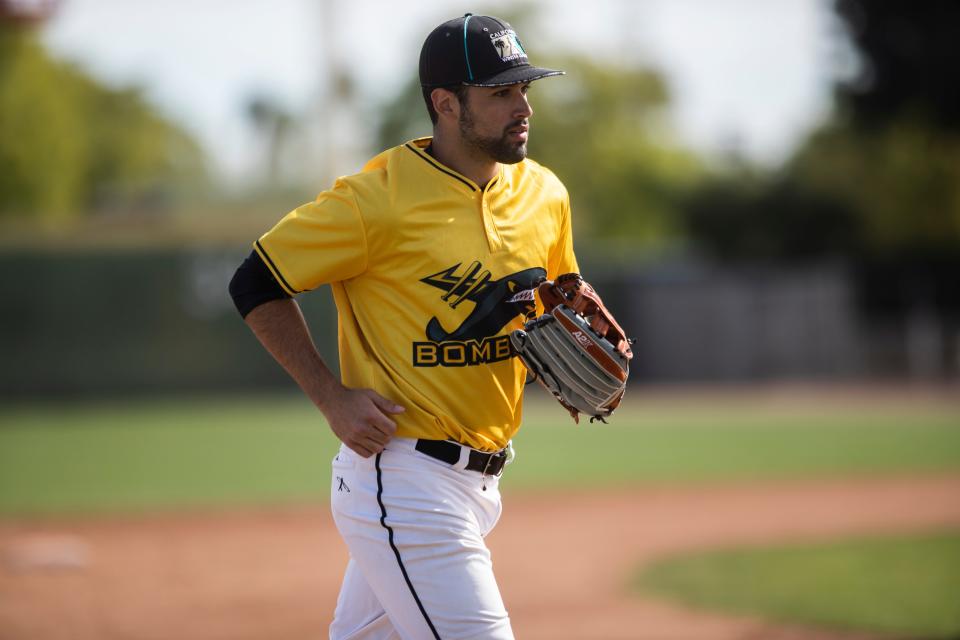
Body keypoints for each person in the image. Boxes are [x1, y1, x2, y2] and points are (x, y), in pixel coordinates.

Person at [229, 13, 577, 640]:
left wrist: (575, 345)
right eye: (500, 93)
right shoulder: (375, 200)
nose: (522, 105)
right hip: (405, 477)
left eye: (524, 88)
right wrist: (330, 396)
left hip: (480, 481)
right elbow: (254, 282)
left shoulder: (545, 194)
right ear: (446, 104)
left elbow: (558, 302)